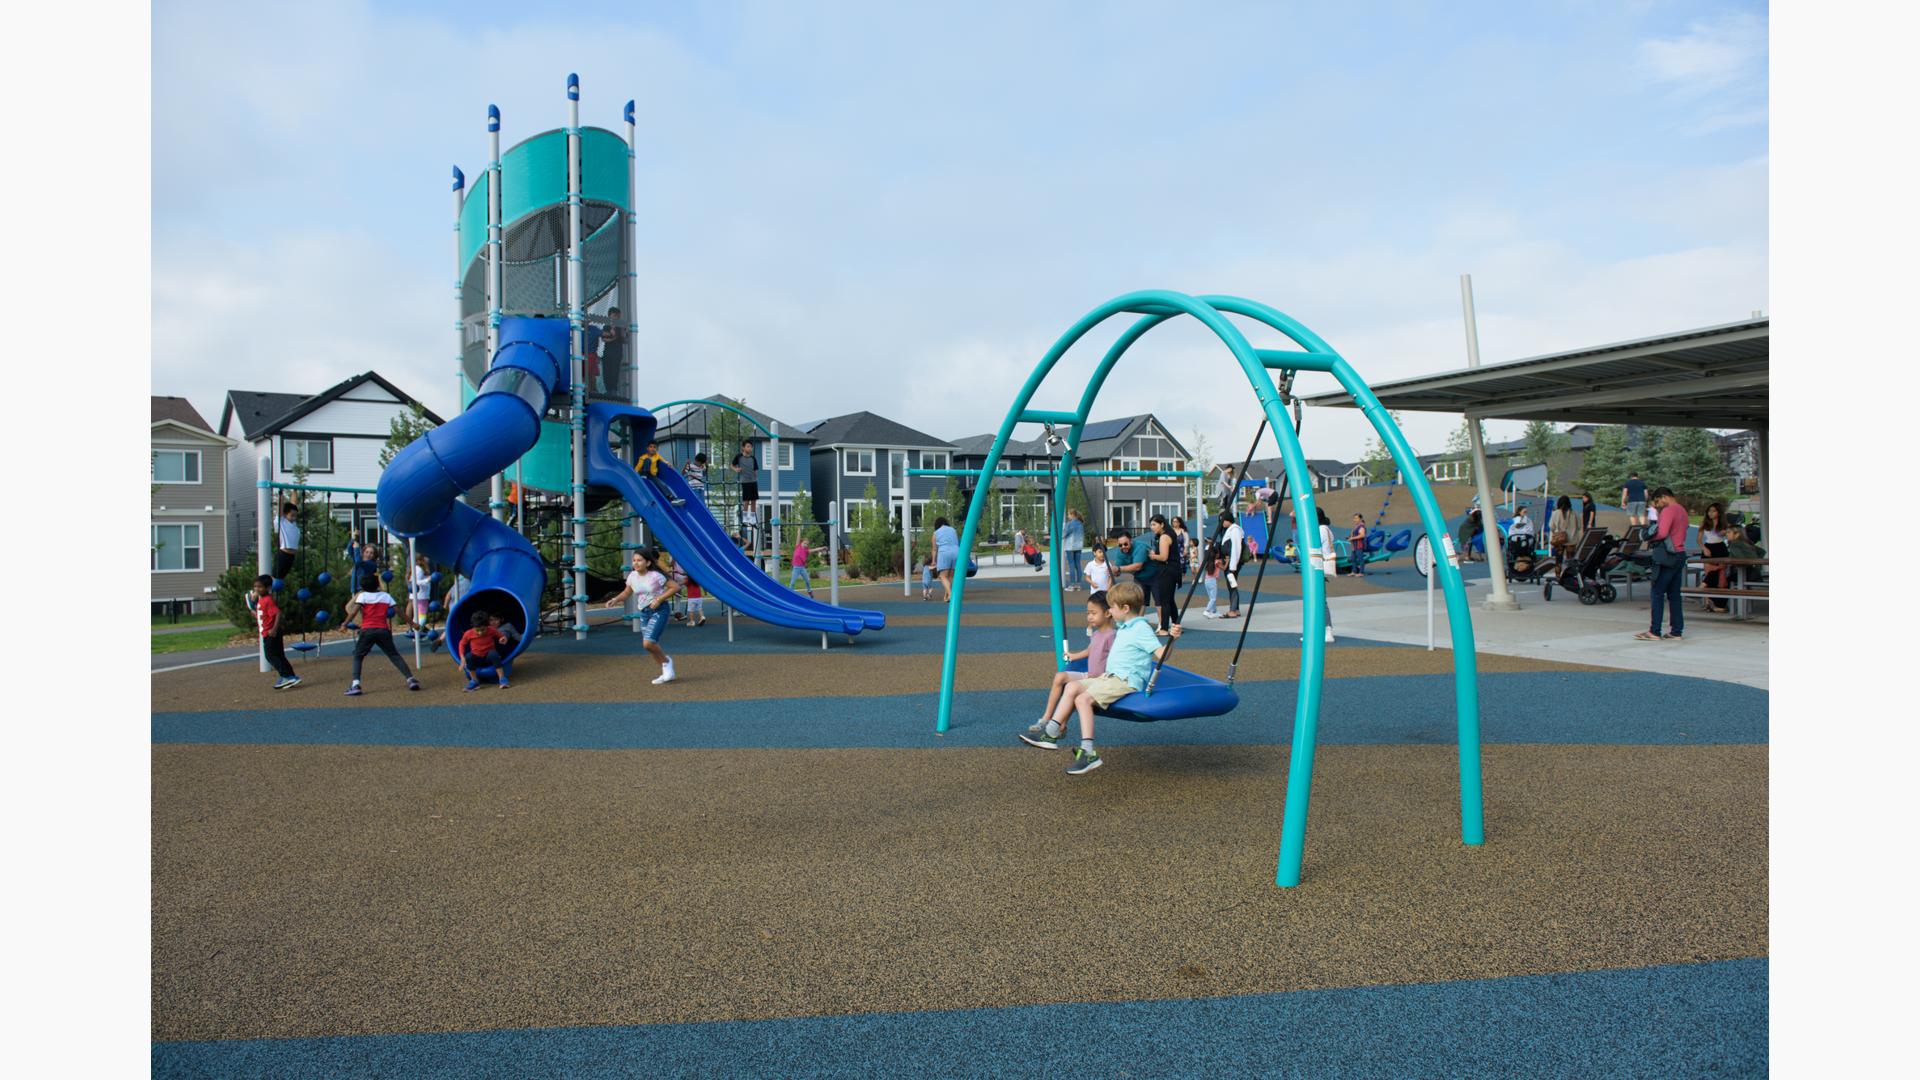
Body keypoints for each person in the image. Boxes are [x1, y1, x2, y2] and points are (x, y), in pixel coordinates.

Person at [1018, 582, 1181, 775]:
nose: (1110, 610)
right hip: (1109, 677)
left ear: (1125, 608)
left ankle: (1088, 752)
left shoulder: (1140, 629)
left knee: (1082, 699)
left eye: (1112, 606)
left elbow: (1161, 654)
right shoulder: (1125, 626)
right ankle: (1051, 733)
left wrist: (1173, 639)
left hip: (1125, 681)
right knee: (1071, 687)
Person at [1021, 591, 1116, 743]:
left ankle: (1061, 725)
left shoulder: (1112, 636)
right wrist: (1073, 656)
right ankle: (1046, 718)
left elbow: (1116, 659)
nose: (1089, 617)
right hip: (1089, 674)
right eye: (1088, 613)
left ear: (1107, 613)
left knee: (1073, 689)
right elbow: (1089, 651)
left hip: (1099, 679)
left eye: (1093, 613)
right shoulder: (1097, 634)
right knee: (1060, 677)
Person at [605, 547, 681, 684]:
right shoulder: (632, 576)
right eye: (634, 560)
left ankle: (667, 662)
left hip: (659, 610)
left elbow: (675, 587)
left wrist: (659, 599)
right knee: (649, 646)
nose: (636, 563)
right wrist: (616, 599)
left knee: (649, 642)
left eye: (639, 560)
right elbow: (627, 592)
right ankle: (665, 669)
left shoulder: (656, 576)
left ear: (648, 562)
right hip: (644, 612)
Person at [344, 574, 420, 696]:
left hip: (367, 630)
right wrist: (413, 624)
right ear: (378, 585)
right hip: (383, 630)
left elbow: (353, 611)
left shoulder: (363, 596)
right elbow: (399, 612)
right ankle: (410, 679)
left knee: (358, 656)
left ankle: (355, 685)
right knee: (394, 655)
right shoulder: (386, 596)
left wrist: (345, 624)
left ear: (363, 587)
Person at [1637, 487, 1689, 642]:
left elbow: (1662, 532)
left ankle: (1655, 631)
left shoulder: (1668, 510)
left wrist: (1650, 536)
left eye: (1658, 501)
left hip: (1667, 556)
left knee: (1657, 592)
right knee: (1674, 595)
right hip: (1680, 553)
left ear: (1664, 497)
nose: (1658, 505)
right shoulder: (1682, 510)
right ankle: (1676, 631)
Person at [251, 574, 300, 690]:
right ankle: (291, 676)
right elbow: (262, 615)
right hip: (268, 632)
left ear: (267, 588)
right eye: (255, 587)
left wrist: (273, 629)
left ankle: (286, 676)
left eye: (260, 587)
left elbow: (277, 613)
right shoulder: (262, 600)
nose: (257, 589)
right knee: (279, 655)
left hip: (270, 633)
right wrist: (253, 610)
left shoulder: (267, 600)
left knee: (271, 655)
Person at [457, 611, 511, 692]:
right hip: (477, 659)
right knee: (469, 656)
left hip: (489, 658)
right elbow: (461, 644)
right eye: (477, 630)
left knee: (493, 654)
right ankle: (474, 681)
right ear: (473, 626)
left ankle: (502, 679)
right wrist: (462, 658)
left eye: (483, 630)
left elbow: (501, 636)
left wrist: (503, 639)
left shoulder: (491, 630)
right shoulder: (469, 633)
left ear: (487, 626)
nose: (480, 633)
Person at [1145, 514, 1181, 634]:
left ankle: (1164, 628)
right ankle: (1176, 624)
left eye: (1154, 524)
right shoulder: (1170, 534)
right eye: (1151, 525)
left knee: (1164, 600)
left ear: (1162, 524)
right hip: (1173, 569)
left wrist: (1153, 556)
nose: (1152, 527)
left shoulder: (1164, 537)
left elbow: (1164, 557)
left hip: (1167, 570)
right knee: (1170, 599)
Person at [1697, 501, 1732, 613]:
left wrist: (1725, 533)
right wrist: (1704, 548)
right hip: (1708, 548)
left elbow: (1730, 536)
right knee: (1709, 572)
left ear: (1719, 512)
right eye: (1709, 511)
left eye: (1713, 511)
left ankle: (1717, 601)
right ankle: (1708, 601)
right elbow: (1699, 539)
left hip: (1720, 548)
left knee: (1720, 574)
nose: (1710, 513)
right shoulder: (1704, 524)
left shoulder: (1724, 525)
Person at [1310, 507, 1338, 644]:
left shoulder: (1321, 530)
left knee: (1321, 600)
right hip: (1318, 566)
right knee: (1316, 599)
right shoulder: (1325, 529)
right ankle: (1318, 630)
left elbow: (1314, 546)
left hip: (1319, 566)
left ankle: (1328, 629)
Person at [1217, 510, 1245, 618]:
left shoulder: (1235, 530)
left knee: (1232, 585)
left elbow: (1236, 548)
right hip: (1230, 562)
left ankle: (1233, 610)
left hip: (1232, 563)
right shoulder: (1230, 530)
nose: (1222, 523)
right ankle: (1235, 609)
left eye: (1223, 520)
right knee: (1231, 585)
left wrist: (1233, 566)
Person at [929, 516, 960, 602]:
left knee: (942, 576)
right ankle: (947, 596)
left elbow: (934, 549)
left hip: (944, 553)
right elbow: (956, 542)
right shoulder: (953, 530)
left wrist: (933, 561)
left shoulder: (936, 533)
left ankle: (951, 595)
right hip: (956, 552)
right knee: (951, 576)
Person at [598, 307, 627, 395]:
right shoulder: (606, 326)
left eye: (617, 316)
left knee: (615, 371)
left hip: (617, 353)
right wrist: (612, 334)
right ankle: (608, 390)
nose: (616, 317)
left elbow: (624, 339)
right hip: (607, 352)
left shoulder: (621, 326)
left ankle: (613, 390)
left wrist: (621, 329)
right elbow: (604, 339)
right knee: (606, 372)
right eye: (614, 315)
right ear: (610, 316)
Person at [273, 502, 301, 581]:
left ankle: (271, 593)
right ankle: (254, 593)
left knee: (281, 579)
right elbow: (280, 507)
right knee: (274, 578)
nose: (294, 518)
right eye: (292, 515)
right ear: (285, 514)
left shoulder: (293, 524)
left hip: (291, 556)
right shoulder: (281, 522)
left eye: (295, 516)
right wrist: (281, 492)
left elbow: (293, 503)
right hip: (283, 554)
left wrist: (294, 491)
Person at [732, 439, 760, 518]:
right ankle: (745, 518)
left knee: (754, 500)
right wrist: (736, 469)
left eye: (751, 447)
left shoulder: (753, 458)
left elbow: (755, 469)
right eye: (748, 446)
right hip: (745, 481)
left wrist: (755, 477)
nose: (750, 448)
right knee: (746, 501)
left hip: (753, 481)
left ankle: (753, 518)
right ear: (743, 448)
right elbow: (732, 465)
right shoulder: (739, 457)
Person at [406, 555, 433, 630]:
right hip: (421, 596)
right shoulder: (418, 569)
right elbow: (415, 581)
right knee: (422, 616)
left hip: (421, 595)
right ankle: (417, 631)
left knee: (417, 616)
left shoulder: (417, 568)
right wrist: (427, 580)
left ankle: (416, 633)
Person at [1061, 508, 1085, 591]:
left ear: (1072, 514)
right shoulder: (1080, 523)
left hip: (1070, 546)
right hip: (1079, 546)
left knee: (1071, 564)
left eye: (1068, 514)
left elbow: (1064, 534)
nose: (1068, 516)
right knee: (1078, 564)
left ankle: (1072, 585)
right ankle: (1078, 584)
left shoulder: (1070, 524)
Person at [1548, 496, 1577, 562]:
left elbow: (1551, 526)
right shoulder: (1574, 513)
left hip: (1559, 540)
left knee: (1558, 560)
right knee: (1570, 561)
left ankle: (1558, 572)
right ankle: (1569, 571)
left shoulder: (1555, 513)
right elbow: (1579, 526)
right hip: (1571, 541)